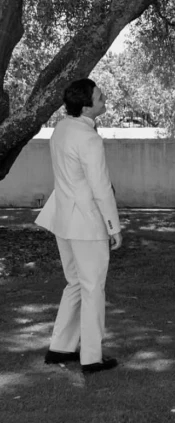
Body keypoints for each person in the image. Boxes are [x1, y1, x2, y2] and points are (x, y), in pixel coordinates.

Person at [35, 78, 121, 374]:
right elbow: (100, 188)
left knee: (75, 283)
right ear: (86, 106)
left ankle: (60, 347)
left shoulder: (61, 128)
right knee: (93, 287)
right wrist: (114, 226)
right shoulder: (88, 138)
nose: (103, 98)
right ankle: (91, 357)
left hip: (63, 219)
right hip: (85, 222)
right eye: (99, 96)